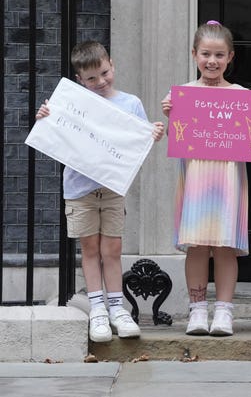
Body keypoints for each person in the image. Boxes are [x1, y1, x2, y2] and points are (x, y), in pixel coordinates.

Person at [36, 41, 165, 342]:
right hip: (79, 189)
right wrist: (46, 117)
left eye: (104, 73)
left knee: (113, 250)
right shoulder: (70, 104)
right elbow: (54, 133)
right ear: (80, 79)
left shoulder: (130, 103)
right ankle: (98, 309)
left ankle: (118, 309)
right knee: (90, 250)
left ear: (113, 65)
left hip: (112, 190)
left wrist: (154, 134)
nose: (100, 81)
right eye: (91, 78)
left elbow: (139, 141)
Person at [162, 20, 251, 336]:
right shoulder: (184, 95)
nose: (212, 61)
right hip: (197, 178)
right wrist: (171, 116)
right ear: (194, 55)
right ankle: (198, 310)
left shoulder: (242, 95)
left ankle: (224, 312)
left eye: (219, 55)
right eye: (206, 54)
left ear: (230, 57)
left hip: (228, 180)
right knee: (197, 246)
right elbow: (180, 135)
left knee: (226, 247)